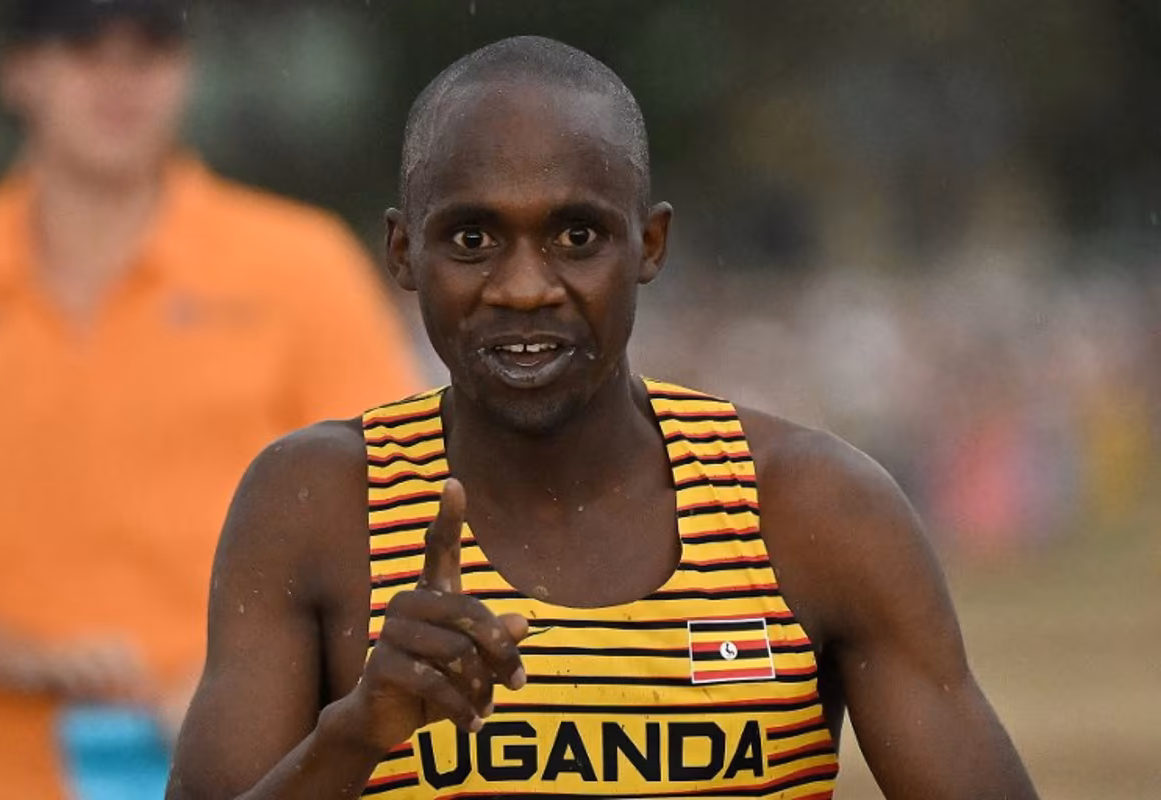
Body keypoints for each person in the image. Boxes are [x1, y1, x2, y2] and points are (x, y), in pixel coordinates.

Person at [168, 35, 1039, 799]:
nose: (522, 287)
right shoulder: (318, 505)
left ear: (649, 245)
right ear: (404, 253)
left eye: (576, 236)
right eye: (472, 238)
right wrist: (355, 735)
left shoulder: (812, 511)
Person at [0, 1, 422, 798]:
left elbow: (399, 518)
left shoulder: (299, 269)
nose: (120, 78)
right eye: (82, 45)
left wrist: (248, 686)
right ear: (19, 72)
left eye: (151, 48)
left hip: (238, 771)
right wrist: (12, 656)